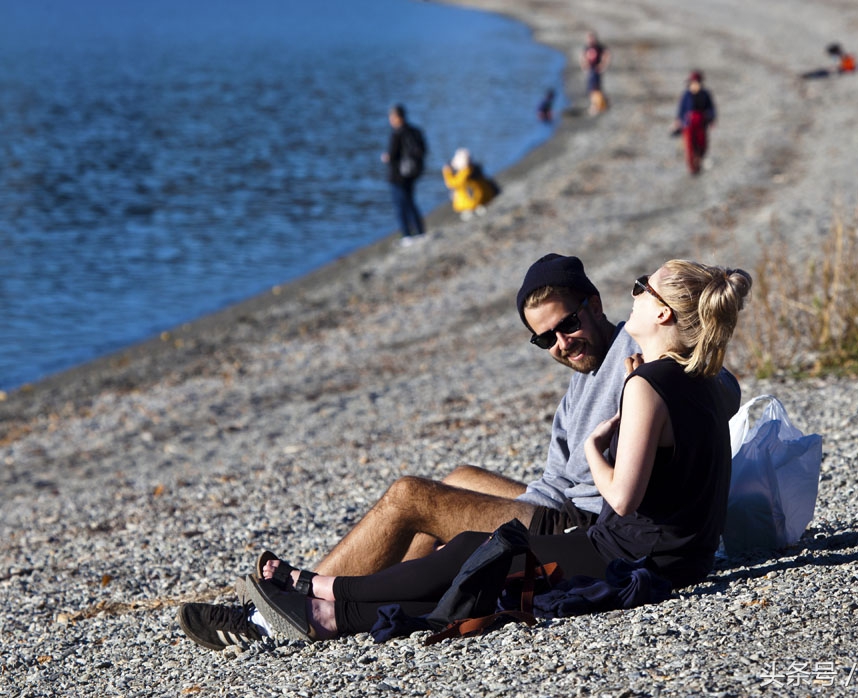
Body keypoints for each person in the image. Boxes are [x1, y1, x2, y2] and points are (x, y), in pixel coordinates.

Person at [176, 256, 745, 650]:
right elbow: (550, 479)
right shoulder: (580, 385)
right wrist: (487, 505)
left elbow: (720, 386)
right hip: (560, 505)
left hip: (595, 520)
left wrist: (648, 387)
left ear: (594, 305)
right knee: (456, 480)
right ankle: (382, 596)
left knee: (410, 497)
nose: (560, 343)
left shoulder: (637, 351)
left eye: (568, 325)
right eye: (544, 338)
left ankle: (275, 617)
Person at [381, 104, 426, 244]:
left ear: (397, 117)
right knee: (411, 202)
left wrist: (386, 157)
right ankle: (419, 231)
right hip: (412, 174)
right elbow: (423, 150)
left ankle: (407, 235)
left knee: (400, 206)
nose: (390, 119)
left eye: (392, 116)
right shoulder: (415, 131)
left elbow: (392, 155)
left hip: (397, 176)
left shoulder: (397, 134)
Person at [672, 71, 716, 175]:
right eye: (693, 83)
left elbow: (711, 109)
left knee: (702, 145)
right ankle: (692, 168)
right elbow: (681, 110)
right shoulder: (686, 95)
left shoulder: (705, 94)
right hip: (688, 125)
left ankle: (699, 161)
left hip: (701, 124)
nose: (694, 85)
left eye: (696, 83)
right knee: (689, 147)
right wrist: (678, 121)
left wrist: (711, 119)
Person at [442, 148, 498, 220]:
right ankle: (479, 207)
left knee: (456, 193)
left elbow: (452, 184)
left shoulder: (463, 174)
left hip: (469, 201)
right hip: (483, 197)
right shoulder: (475, 169)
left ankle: (470, 209)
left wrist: (447, 173)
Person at [580, 31, 611, 115]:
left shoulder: (599, 47)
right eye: (588, 38)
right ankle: (597, 105)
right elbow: (583, 56)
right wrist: (584, 66)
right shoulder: (587, 47)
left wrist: (603, 65)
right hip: (591, 69)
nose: (589, 40)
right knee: (591, 88)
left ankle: (598, 106)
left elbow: (606, 54)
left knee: (596, 88)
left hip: (596, 69)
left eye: (591, 38)